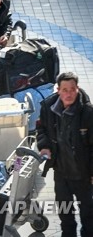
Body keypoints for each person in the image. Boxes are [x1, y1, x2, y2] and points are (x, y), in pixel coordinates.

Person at [37, 72, 93, 236]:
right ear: (58, 90)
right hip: (61, 173)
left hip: (84, 175)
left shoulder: (88, 113)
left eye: (72, 89)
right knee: (65, 213)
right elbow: (42, 130)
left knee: (88, 215)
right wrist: (44, 146)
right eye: (65, 90)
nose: (69, 94)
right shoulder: (48, 107)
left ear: (78, 89)